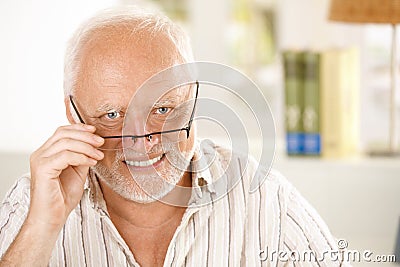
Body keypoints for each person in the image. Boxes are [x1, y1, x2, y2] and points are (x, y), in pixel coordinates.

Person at [0, 6, 349, 267]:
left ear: (194, 98)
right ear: (72, 115)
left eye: (162, 109)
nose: (143, 138)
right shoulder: (32, 204)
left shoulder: (266, 201)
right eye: (112, 115)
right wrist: (42, 228)